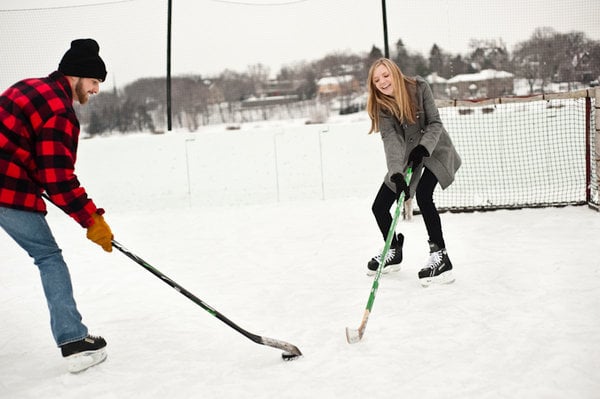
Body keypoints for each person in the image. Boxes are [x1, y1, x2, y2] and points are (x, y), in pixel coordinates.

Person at [0, 39, 113, 373]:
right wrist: (92, 219)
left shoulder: (26, 87)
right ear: (77, 76)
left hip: (9, 182)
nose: (95, 90)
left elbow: (17, 143)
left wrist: (33, 173)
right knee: (49, 257)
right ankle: (74, 342)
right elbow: (59, 178)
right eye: (94, 82)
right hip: (8, 191)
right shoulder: (60, 112)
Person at [365, 58, 461, 286]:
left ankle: (441, 257)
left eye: (385, 75)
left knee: (425, 195)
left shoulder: (419, 87)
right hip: (408, 160)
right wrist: (396, 173)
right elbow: (392, 140)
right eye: (377, 79)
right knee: (379, 206)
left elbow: (435, 123)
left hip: (435, 150)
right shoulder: (383, 106)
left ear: (394, 72)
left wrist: (423, 148)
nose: (383, 82)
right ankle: (393, 251)